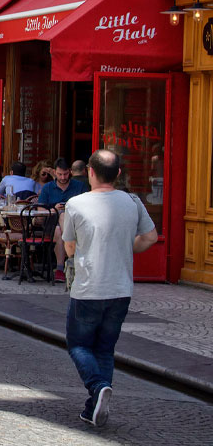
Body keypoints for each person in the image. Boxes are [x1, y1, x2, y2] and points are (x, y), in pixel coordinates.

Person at [61, 149, 157, 427]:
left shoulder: (76, 204)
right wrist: (129, 247)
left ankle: (97, 385)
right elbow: (150, 236)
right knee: (104, 349)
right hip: (121, 288)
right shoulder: (132, 201)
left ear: (90, 172)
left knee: (78, 344)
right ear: (117, 174)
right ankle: (94, 408)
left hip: (89, 288)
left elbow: (68, 248)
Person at [40, 158, 89, 283]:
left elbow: (87, 205)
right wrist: (53, 209)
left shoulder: (79, 186)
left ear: (70, 172)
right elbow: (40, 209)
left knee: (60, 226)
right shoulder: (48, 187)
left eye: (65, 174)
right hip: (51, 222)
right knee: (59, 221)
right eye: (60, 174)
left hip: (75, 223)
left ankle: (60, 269)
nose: (62, 177)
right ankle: (70, 259)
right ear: (55, 173)